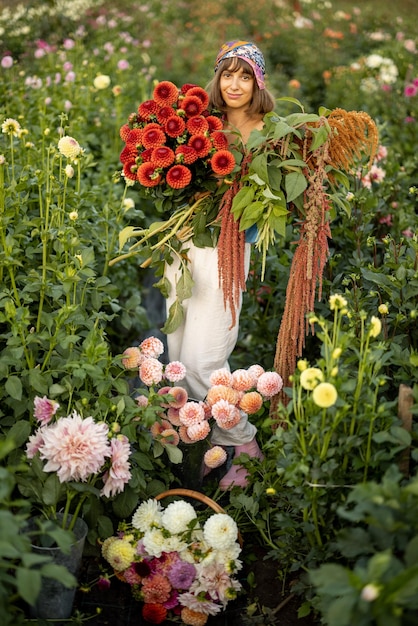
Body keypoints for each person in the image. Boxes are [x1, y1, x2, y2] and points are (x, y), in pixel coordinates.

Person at [164, 40, 276, 489]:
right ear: (217, 77)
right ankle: (211, 445)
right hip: (183, 244)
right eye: (228, 74)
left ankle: (245, 444)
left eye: (244, 75)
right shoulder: (202, 122)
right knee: (175, 350)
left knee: (204, 358)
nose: (234, 83)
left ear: (257, 82)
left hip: (226, 249)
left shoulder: (270, 131)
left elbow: (275, 203)